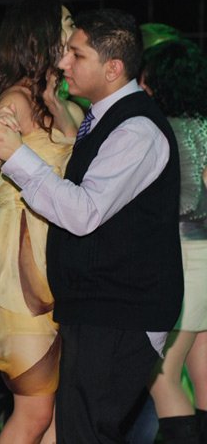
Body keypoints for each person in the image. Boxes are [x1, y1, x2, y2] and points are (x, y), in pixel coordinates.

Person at [0, 9, 183, 442]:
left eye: (77, 55)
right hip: (100, 307)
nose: (63, 63)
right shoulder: (103, 118)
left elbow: (83, 212)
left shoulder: (136, 130)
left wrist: (17, 156)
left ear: (113, 68)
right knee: (77, 429)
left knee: (84, 432)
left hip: (120, 311)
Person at [0, 0, 80, 443]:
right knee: (34, 412)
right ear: (40, 35)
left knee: (56, 414)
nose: (75, 30)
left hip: (62, 262)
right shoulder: (15, 99)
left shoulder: (62, 102)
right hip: (20, 268)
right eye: (67, 22)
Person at [143, 38, 207, 443]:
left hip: (182, 258)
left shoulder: (161, 131)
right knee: (204, 371)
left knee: (161, 372)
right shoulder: (205, 127)